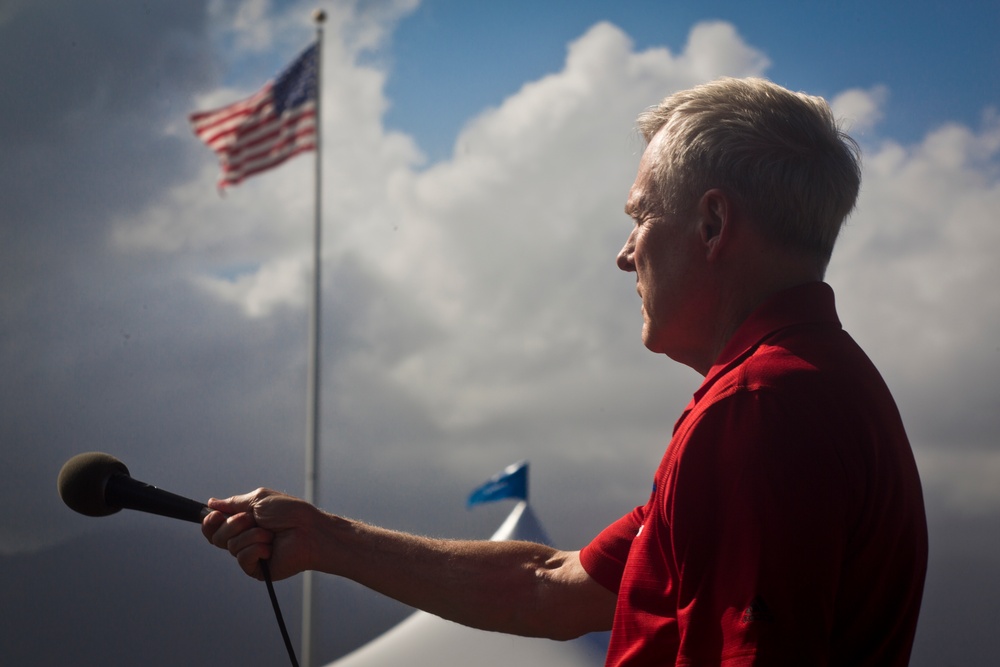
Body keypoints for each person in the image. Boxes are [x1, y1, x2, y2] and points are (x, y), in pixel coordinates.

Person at [203, 77, 928, 665]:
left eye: (640, 216)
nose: (624, 252)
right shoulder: (817, 385)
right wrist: (324, 538)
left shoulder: (761, 405)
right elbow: (551, 587)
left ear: (712, 225)